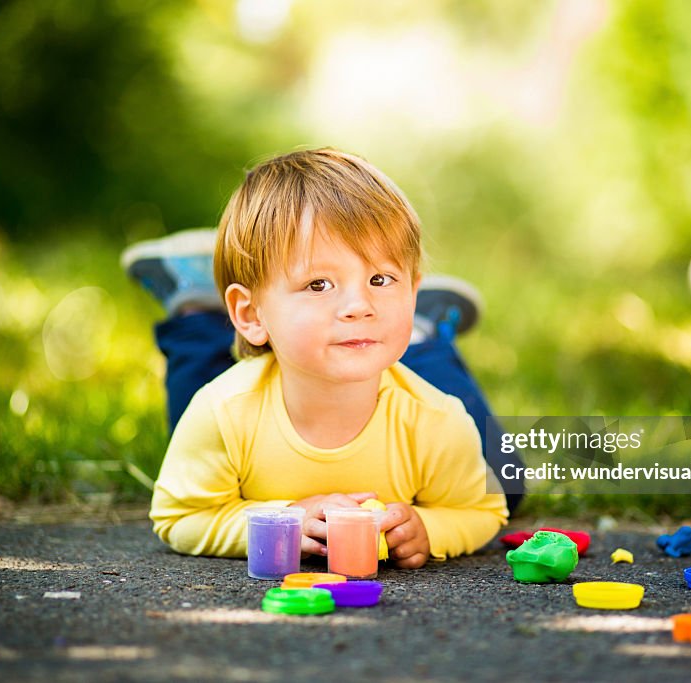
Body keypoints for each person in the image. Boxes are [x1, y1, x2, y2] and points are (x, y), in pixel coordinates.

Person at [123, 148, 522, 569]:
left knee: (506, 479)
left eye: (380, 279)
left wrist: (428, 527)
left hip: (398, 380)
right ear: (250, 313)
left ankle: (422, 330)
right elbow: (180, 515)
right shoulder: (221, 411)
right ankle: (194, 304)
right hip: (260, 374)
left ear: (412, 289)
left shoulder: (437, 420)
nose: (358, 304)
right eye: (318, 284)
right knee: (198, 392)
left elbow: (479, 511)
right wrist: (282, 523)